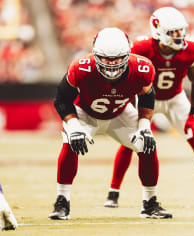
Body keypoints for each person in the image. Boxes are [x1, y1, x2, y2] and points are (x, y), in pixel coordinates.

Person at [49, 27, 172, 220]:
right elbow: (61, 99)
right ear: (95, 55)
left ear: (128, 54)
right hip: (86, 113)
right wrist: (73, 127)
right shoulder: (81, 67)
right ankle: (62, 201)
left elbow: (147, 97)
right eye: (106, 58)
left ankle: (150, 203)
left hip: (120, 113)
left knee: (147, 144)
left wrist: (144, 127)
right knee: (70, 142)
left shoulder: (142, 68)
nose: (112, 63)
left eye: (117, 58)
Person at [104, 7, 194, 208]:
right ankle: (113, 192)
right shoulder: (141, 49)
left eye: (181, 30)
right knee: (131, 140)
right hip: (148, 98)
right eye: (174, 32)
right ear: (158, 31)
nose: (179, 35)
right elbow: (127, 78)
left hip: (175, 98)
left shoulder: (191, 49)